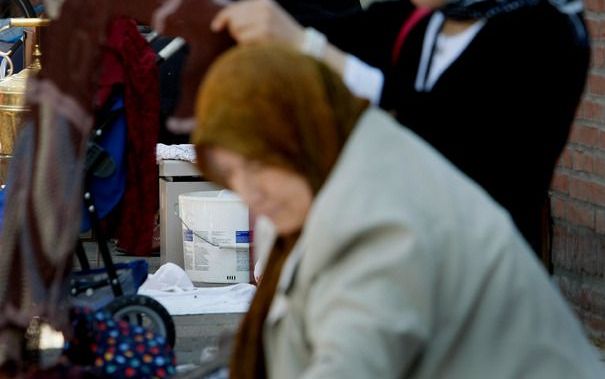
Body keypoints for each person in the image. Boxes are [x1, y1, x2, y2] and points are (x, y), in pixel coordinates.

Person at [192, 44, 601, 379]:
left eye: (261, 166)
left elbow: (353, 362)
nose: (250, 192)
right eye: (230, 174)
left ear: (304, 135)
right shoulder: (329, 174)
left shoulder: (379, 223)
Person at [210, 0, 591, 259]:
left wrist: (307, 45)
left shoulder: (546, 31)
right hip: (403, 276)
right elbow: (323, 33)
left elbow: (446, 143)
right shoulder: (420, 23)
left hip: (482, 285)